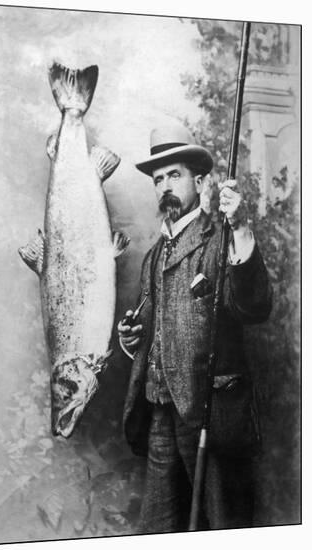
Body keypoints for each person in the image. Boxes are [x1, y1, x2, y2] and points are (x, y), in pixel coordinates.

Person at [118, 121, 272, 533]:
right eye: (158, 179)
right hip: (160, 414)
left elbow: (254, 308)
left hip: (210, 413)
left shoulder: (220, 239)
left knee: (224, 526)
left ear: (200, 181)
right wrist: (133, 338)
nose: (165, 186)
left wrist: (240, 227)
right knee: (159, 529)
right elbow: (157, 329)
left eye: (174, 175)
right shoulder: (153, 257)